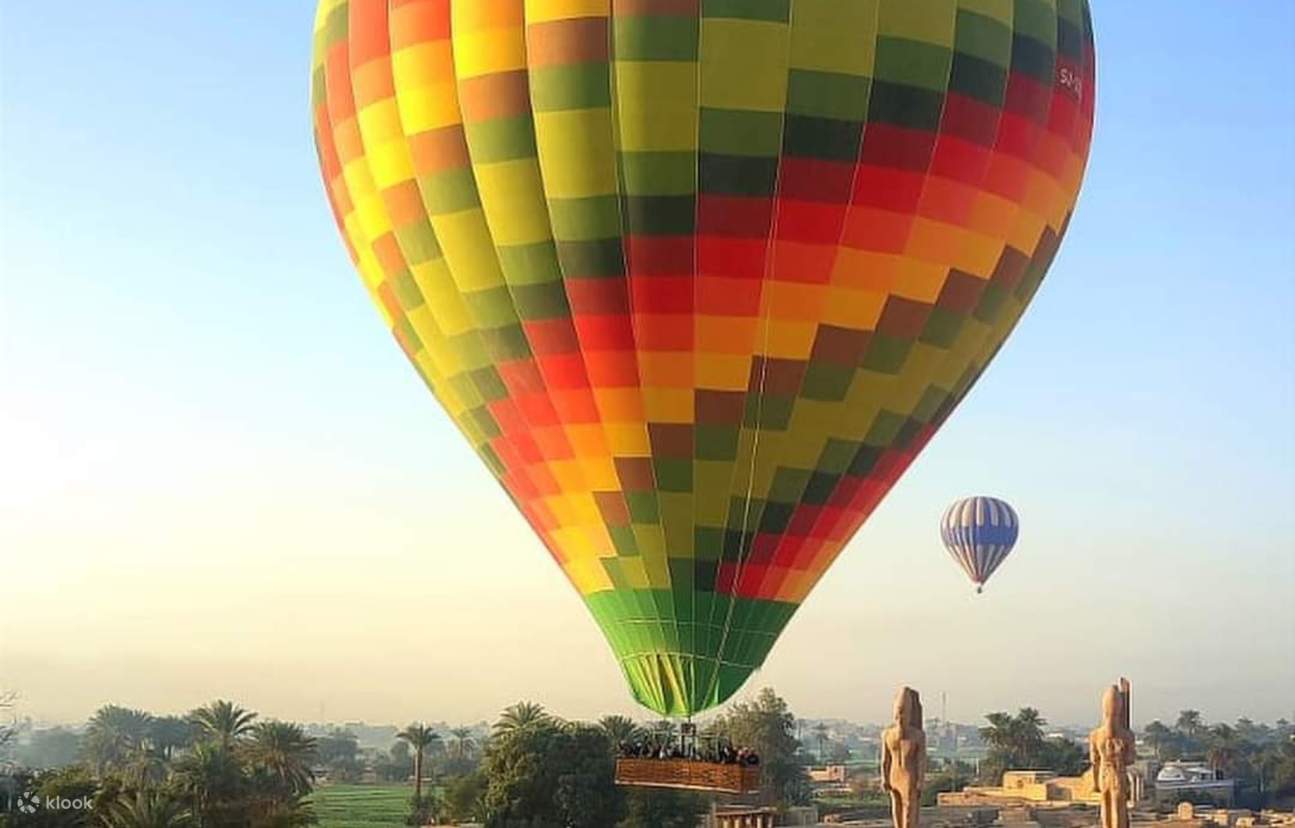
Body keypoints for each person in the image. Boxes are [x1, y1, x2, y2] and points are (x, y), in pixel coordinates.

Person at [1089, 685, 1136, 828]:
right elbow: (1130, 760)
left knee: (1111, 802)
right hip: (1113, 773)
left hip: (1110, 772)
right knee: (1114, 803)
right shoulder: (1126, 735)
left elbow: (1094, 760)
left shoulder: (1095, 735)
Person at [881, 686, 926, 828]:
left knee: (908, 811)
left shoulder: (917, 736)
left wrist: (920, 779)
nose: (900, 718)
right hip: (894, 774)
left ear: (909, 715)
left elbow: (921, 760)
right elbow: (885, 759)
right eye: (897, 715)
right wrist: (884, 777)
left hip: (909, 775)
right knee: (896, 809)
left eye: (903, 714)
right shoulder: (887, 734)